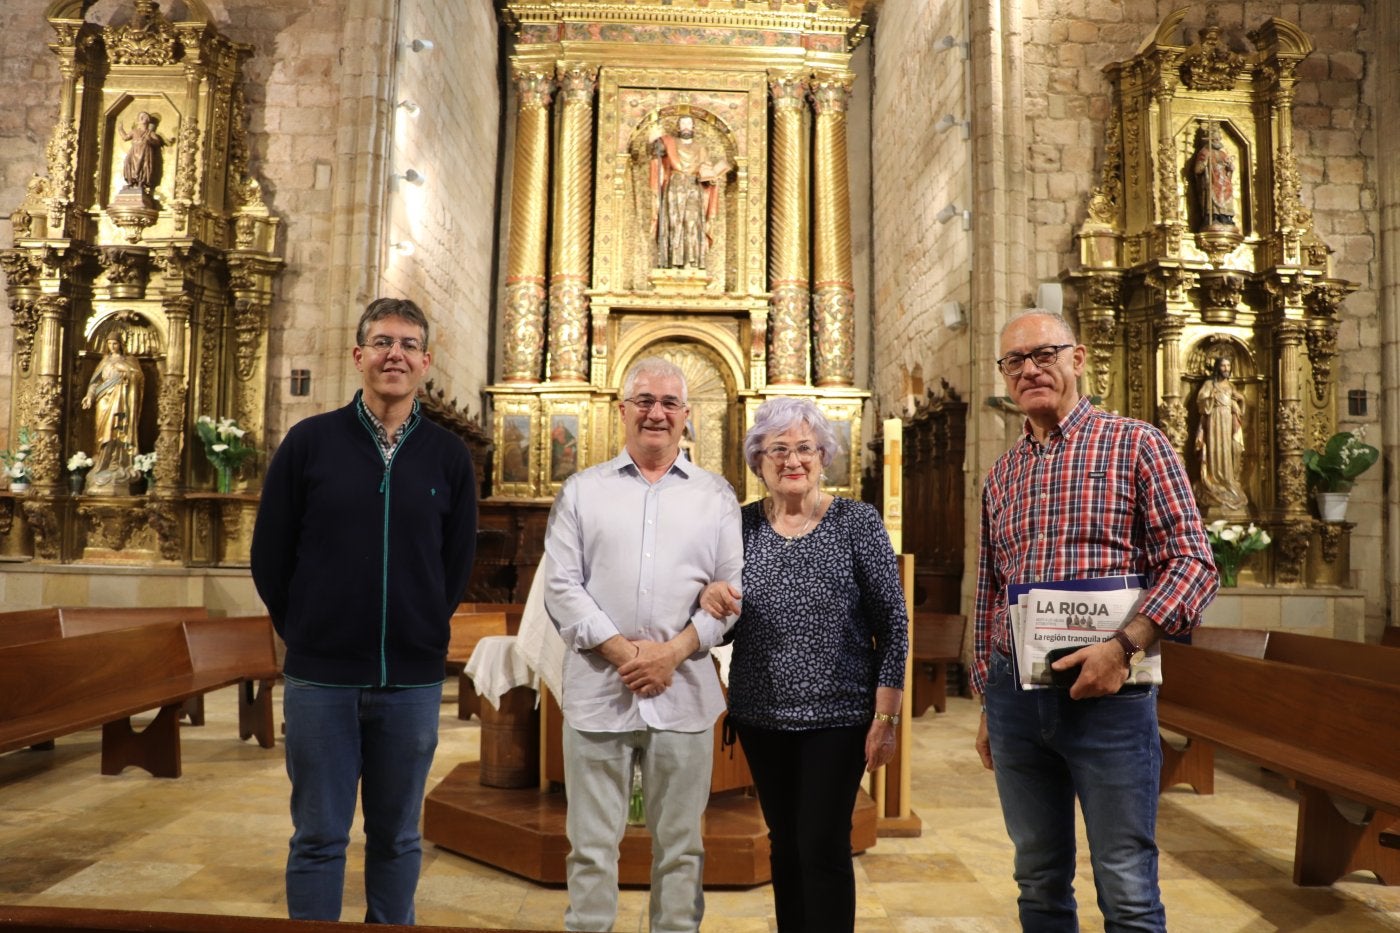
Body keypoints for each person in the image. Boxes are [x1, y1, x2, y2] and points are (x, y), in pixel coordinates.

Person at [973, 309, 1218, 932]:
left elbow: (1193, 561)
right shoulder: (1002, 477)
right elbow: (991, 594)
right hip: (1018, 703)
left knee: (1126, 880)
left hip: (1113, 697)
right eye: (1014, 362)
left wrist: (1123, 646)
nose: (1030, 369)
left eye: (1044, 354)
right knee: (1038, 876)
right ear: (1005, 378)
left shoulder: (1137, 444)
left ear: (1077, 358)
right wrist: (988, 698)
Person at [250, 297, 478, 923]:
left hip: (410, 680)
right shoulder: (310, 443)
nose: (394, 355)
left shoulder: (447, 458)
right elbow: (270, 554)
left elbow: (455, 564)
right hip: (321, 677)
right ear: (358, 356)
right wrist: (306, 631)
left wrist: (423, 625)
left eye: (407, 345)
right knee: (320, 836)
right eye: (381, 342)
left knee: (399, 836)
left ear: (425, 362)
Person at [543, 355, 743, 932]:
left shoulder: (716, 497)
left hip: (682, 696)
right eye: (645, 402)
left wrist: (672, 652)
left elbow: (734, 594)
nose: (657, 413)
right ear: (623, 410)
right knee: (589, 847)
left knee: (682, 850)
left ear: (687, 417)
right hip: (598, 694)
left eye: (670, 403)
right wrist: (624, 654)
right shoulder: (583, 492)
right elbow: (561, 586)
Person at [700, 396, 908, 933]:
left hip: (838, 716)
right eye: (778, 450)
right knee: (784, 844)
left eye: (804, 449)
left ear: (822, 456)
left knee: (821, 844)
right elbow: (725, 616)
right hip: (760, 714)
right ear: (759, 462)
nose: (792, 460)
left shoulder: (855, 522)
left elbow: (894, 623)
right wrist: (711, 600)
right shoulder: (740, 526)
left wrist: (886, 719)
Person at [648, 115, 731, 270]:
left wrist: (712, 177)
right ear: (678, 127)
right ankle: (671, 262)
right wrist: (655, 138)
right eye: (683, 123)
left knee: (692, 222)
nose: (686, 126)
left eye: (689, 124)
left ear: (693, 127)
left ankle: (691, 261)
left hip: (694, 186)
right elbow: (656, 154)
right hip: (675, 185)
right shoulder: (669, 142)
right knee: (673, 222)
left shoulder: (700, 148)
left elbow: (705, 169)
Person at [82, 334, 144, 479]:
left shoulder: (130, 360)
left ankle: (120, 462)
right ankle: (102, 462)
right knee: (103, 431)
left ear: (121, 344)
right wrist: (89, 396)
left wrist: (127, 370)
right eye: (109, 343)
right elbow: (95, 382)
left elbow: (139, 379)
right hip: (104, 400)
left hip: (123, 400)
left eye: (115, 343)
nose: (112, 347)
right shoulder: (105, 361)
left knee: (120, 429)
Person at [1195, 355, 1248, 513]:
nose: (1226, 369)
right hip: (1214, 419)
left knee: (1229, 450)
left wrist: (1241, 401)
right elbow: (1201, 403)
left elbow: (1241, 406)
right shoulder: (1209, 384)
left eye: (1228, 366)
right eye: (1223, 366)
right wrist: (1211, 397)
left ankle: (1227, 480)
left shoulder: (1231, 386)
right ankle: (1214, 480)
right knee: (1215, 450)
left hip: (1228, 420)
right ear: (1217, 367)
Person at [1192, 123, 1235, 229]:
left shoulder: (1223, 154)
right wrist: (1204, 162)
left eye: (1218, 139)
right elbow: (1197, 170)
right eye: (1214, 139)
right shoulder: (1205, 152)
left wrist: (1230, 167)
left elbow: (1230, 168)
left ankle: (1225, 216)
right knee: (1212, 195)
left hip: (1224, 182)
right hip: (1212, 180)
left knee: (1226, 194)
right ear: (1209, 139)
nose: (1217, 141)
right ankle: (1213, 216)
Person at [118, 111, 166, 191]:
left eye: (144, 117)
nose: (142, 118)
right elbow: (125, 137)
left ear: (148, 121)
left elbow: (157, 143)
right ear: (138, 121)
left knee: (143, 166)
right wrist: (120, 129)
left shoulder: (150, 133)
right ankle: (131, 182)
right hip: (134, 151)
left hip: (145, 152)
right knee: (128, 163)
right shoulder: (134, 131)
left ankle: (141, 182)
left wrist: (149, 140)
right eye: (141, 117)